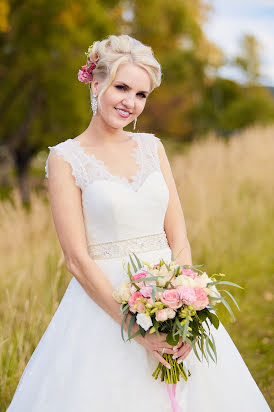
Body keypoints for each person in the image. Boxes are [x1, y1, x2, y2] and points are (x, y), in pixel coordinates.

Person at [6, 34, 271, 412]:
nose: (130, 102)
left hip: (170, 295)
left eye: (142, 94)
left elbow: (177, 234)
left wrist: (186, 309)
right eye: (122, 87)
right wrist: (135, 329)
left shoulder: (153, 147)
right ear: (96, 84)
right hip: (104, 307)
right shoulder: (65, 159)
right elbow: (77, 260)